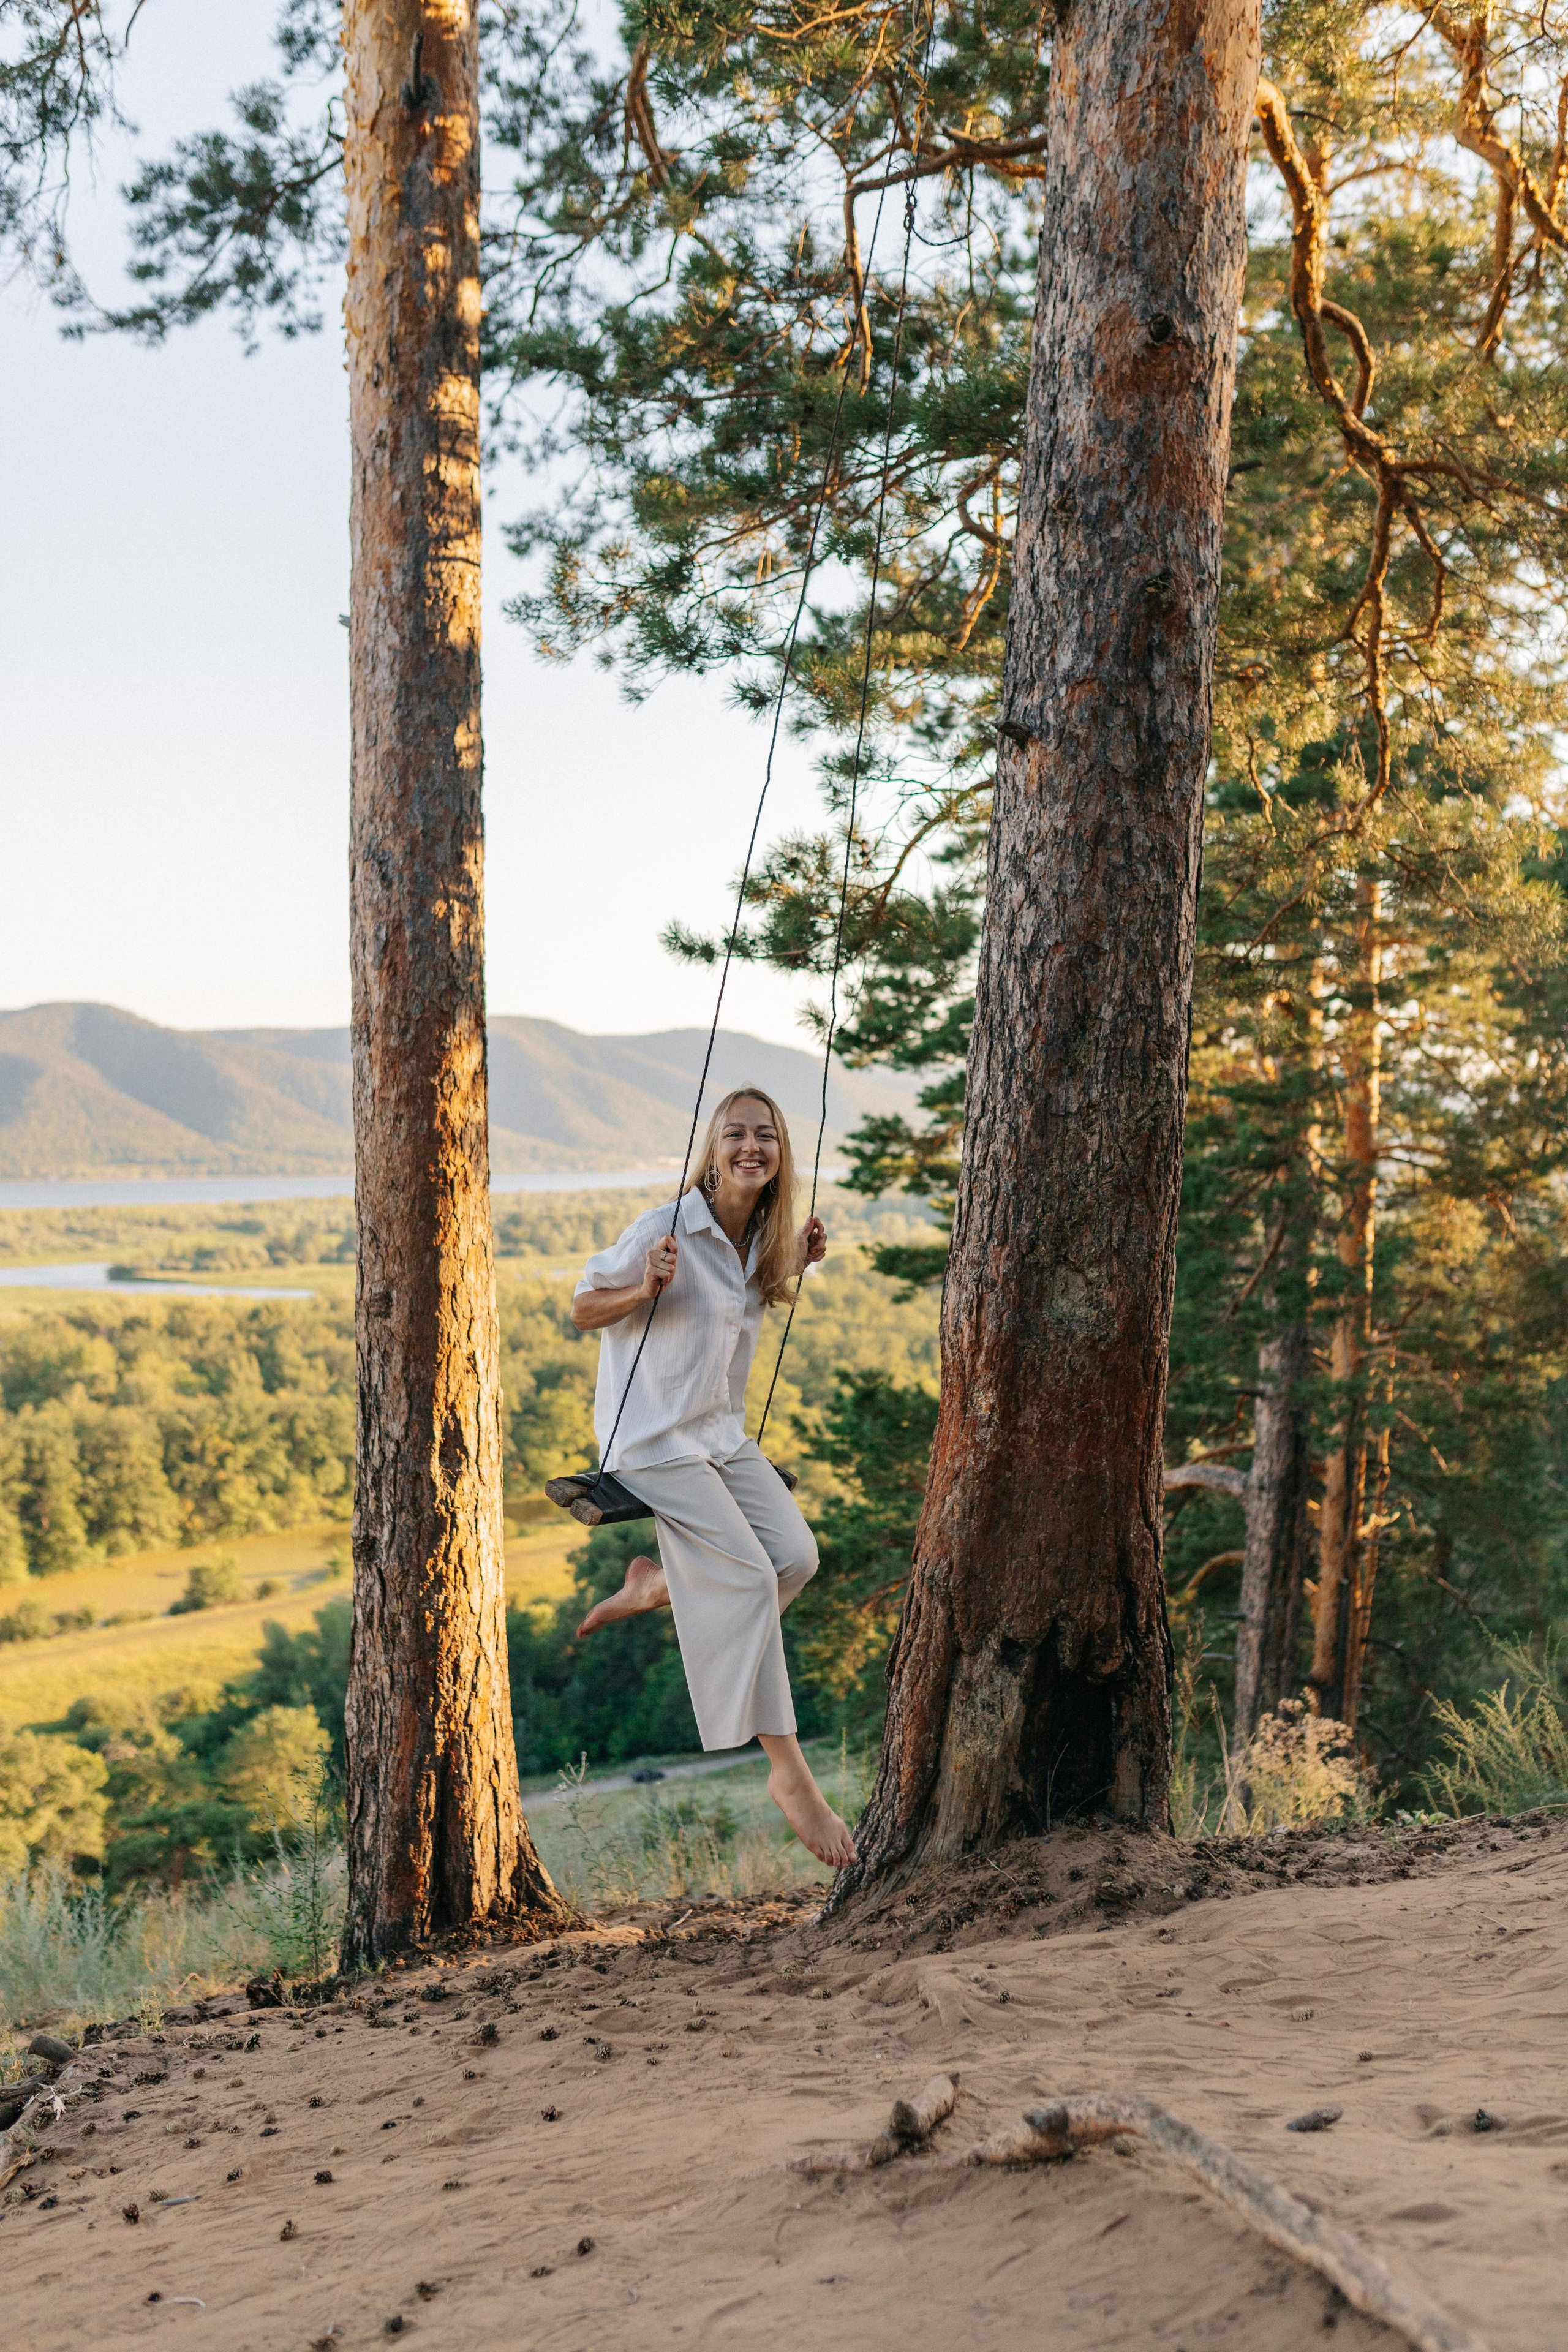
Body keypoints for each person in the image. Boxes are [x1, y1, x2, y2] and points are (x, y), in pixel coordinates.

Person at [570, 1085, 857, 1869]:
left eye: (765, 1135)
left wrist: (801, 1256)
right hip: (651, 1441)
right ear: (713, 1147)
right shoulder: (664, 1227)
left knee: (795, 1560)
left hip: (720, 1438)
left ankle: (662, 1583)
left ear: (780, 1152)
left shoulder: (763, 1238)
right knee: (744, 1579)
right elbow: (582, 1307)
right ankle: (789, 1772)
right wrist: (643, 1288)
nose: (749, 1147)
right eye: (735, 1135)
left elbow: (751, 1299)